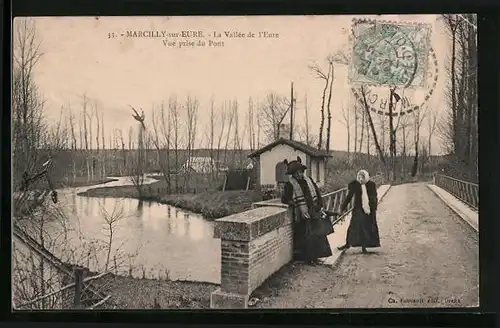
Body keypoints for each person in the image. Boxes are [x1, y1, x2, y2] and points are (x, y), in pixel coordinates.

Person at [281, 156, 332, 265]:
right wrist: (293, 203)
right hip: (302, 214)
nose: (300, 174)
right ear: (293, 174)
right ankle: (309, 259)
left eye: (301, 172)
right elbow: (285, 199)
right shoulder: (290, 184)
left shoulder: (309, 180)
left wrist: (320, 205)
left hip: (314, 211)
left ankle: (317, 256)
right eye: (298, 173)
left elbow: (317, 193)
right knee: (307, 236)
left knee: (318, 235)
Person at [337, 169, 380, 253]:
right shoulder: (355, 185)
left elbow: (374, 196)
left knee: (366, 227)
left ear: (366, 177)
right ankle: (347, 244)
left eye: (363, 177)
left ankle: (364, 246)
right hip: (358, 208)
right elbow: (349, 197)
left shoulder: (371, 185)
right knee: (353, 226)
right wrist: (342, 208)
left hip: (368, 209)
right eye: (359, 177)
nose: (361, 179)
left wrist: (372, 206)